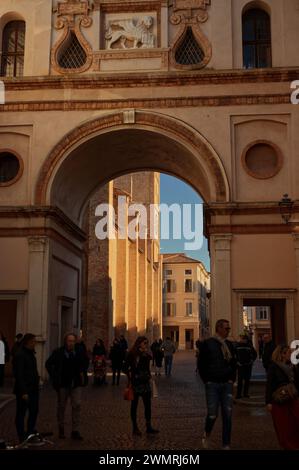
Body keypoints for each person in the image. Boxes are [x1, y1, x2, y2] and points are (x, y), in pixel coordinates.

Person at [197, 319, 237, 450]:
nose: (228, 331)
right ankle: (207, 433)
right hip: (212, 384)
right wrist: (206, 380)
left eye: (229, 328)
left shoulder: (230, 345)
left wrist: (232, 378)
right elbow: (201, 364)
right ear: (218, 328)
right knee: (212, 414)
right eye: (226, 328)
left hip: (227, 384)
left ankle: (226, 444)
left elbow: (233, 363)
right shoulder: (208, 344)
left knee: (228, 414)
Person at [45, 333, 86, 440]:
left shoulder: (79, 352)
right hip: (62, 384)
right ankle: (61, 428)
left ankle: (75, 430)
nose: (71, 343)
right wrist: (54, 376)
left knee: (77, 405)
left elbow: (84, 363)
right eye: (69, 341)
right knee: (62, 406)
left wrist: (82, 373)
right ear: (65, 342)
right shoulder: (58, 352)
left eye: (73, 341)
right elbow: (48, 363)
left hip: (75, 384)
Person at [266, 344, 299, 450]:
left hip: (293, 398)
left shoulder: (292, 366)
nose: (291, 354)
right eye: (289, 352)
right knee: (283, 427)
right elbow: (269, 385)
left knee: (295, 423)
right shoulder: (273, 367)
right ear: (282, 354)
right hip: (279, 401)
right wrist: (268, 402)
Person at [126, 336, 159, 436]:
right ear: (139, 343)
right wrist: (130, 375)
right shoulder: (132, 354)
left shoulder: (146, 353)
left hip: (145, 382)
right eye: (145, 343)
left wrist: (149, 377)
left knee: (148, 406)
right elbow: (124, 367)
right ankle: (135, 427)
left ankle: (148, 426)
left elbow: (149, 363)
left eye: (147, 343)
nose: (146, 345)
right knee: (134, 406)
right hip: (136, 383)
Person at [13, 333, 40, 443]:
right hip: (24, 390)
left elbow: (32, 370)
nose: (35, 343)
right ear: (28, 342)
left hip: (33, 389)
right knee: (21, 413)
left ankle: (29, 432)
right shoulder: (20, 355)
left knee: (34, 411)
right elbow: (19, 375)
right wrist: (23, 391)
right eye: (34, 341)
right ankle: (21, 435)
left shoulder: (31, 354)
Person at [235, 334, 257, 399]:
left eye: (244, 339)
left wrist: (251, 361)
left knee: (247, 380)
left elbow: (254, 354)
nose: (242, 340)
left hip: (248, 365)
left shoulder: (249, 346)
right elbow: (234, 355)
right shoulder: (237, 346)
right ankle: (239, 394)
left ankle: (245, 393)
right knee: (240, 380)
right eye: (242, 339)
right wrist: (237, 362)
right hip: (240, 365)